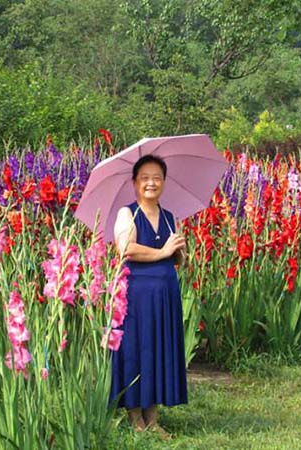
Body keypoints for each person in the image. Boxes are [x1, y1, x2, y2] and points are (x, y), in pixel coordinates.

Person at [109, 154, 188, 437]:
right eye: (145, 178)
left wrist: (178, 252)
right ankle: (135, 419)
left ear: (164, 182)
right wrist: (164, 252)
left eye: (156, 177)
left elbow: (173, 259)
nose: (151, 183)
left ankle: (153, 419)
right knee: (136, 350)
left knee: (157, 350)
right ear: (135, 183)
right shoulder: (127, 214)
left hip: (165, 295)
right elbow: (126, 250)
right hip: (136, 296)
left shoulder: (168, 218)